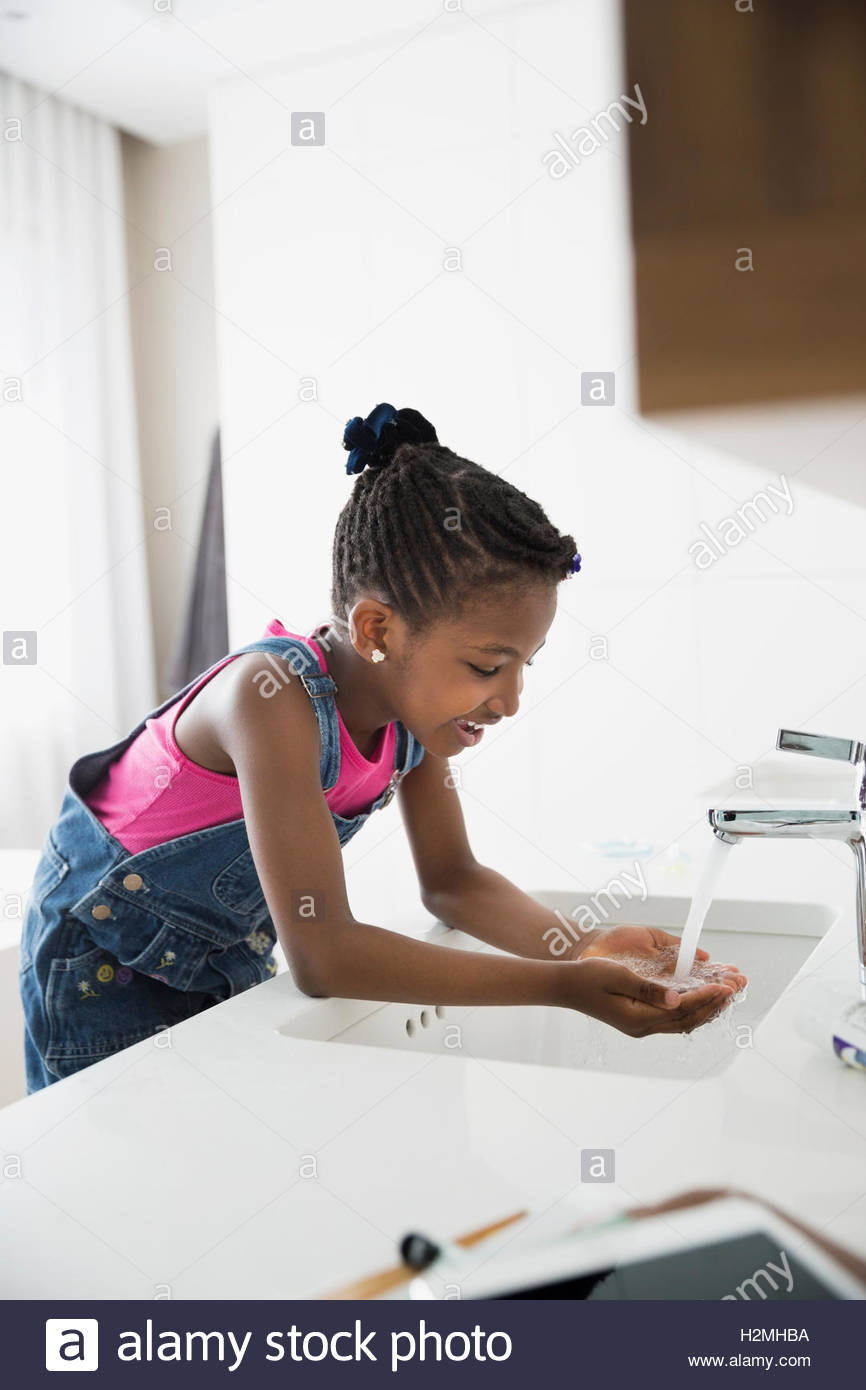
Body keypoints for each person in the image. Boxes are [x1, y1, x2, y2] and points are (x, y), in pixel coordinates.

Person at [19, 402, 746, 1093]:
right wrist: (560, 986)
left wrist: (584, 948)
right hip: (100, 963)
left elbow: (454, 881)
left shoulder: (410, 719)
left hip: (211, 958)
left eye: (527, 664)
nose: (511, 699)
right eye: (488, 667)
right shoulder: (268, 699)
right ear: (376, 632)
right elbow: (324, 953)